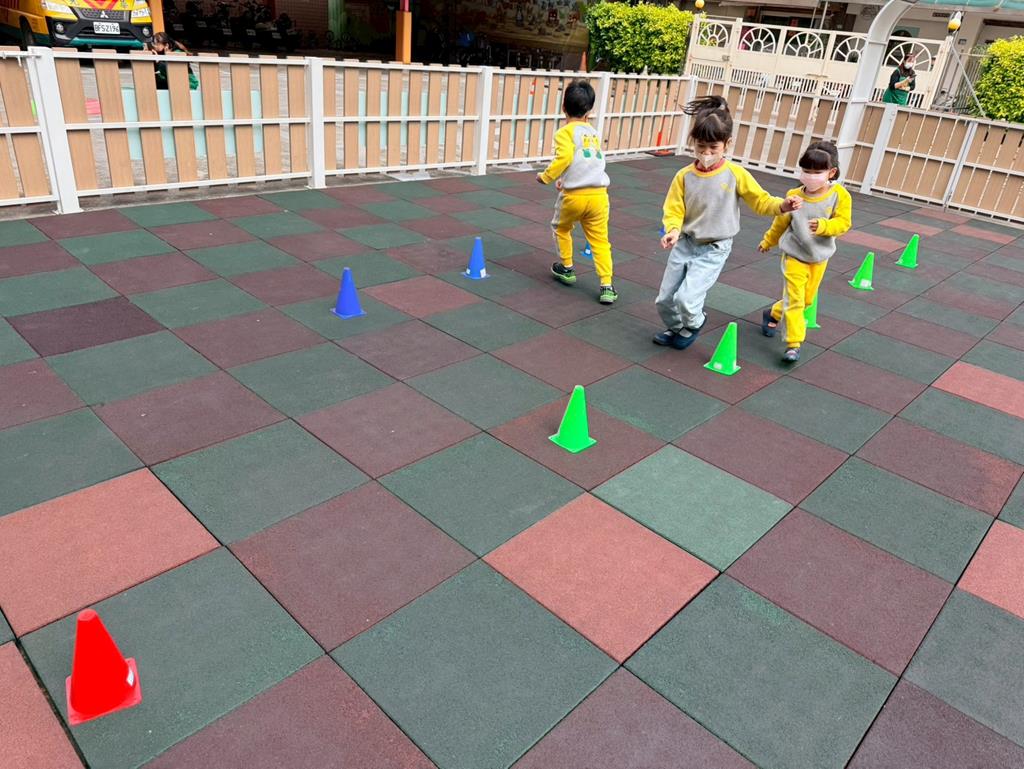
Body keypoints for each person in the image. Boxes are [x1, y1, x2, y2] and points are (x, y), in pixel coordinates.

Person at [654, 95, 802, 349]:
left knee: (687, 298)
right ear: (693, 143)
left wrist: (783, 205)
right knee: (665, 299)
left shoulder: (735, 174)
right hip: (686, 242)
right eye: (701, 147)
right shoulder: (684, 176)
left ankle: (694, 322)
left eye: (713, 148)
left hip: (714, 248)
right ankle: (677, 327)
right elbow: (674, 208)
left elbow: (760, 201)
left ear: (727, 144)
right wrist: (673, 230)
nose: (706, 153)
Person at [758, 141, 852, 362]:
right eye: (806, 171)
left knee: (807, 299)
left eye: (817, 172)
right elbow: (780, 222)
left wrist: (825, 226)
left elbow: (844, 223)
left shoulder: (839, 195)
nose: (811, 177)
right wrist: (768, 240)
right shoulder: (794, 195)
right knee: (795, 300)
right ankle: (793, 344)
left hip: (819, 257)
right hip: (794, 255)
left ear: (831, 172)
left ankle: (773, 313)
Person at [537, 79, 617, 304]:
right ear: (589, 111)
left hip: (574, 197)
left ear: (563, 107)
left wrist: (546, 177)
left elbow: (564, 158)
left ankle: (567, 267)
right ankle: (607, 285)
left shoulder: (564, 132)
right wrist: (565, 179)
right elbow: (586, 163)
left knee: (561, 228)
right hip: (599, 195)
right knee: (600, 241)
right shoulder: (594, 133)